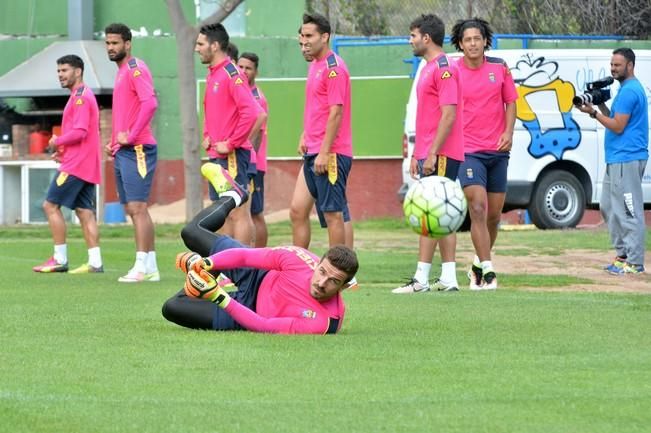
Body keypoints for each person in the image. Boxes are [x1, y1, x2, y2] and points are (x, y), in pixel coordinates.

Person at [162, 164, 359, 334]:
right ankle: (233, 195)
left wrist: (217, 296)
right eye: (322, 271)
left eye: (333, 281)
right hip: (257, 275)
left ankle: (201, 282)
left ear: (344, 287)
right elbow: (245, 257)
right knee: (192, 232)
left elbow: (262, 325)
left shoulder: (323, 322)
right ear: (317, 264)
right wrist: (205, 263)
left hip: (251, 309)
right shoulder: (297, 258)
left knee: (172, 307)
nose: (322, 282)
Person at [392, 14, 464, 294]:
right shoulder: (427, 67)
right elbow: (426, 117)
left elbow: (448, 115)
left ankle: (421, 279)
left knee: (429, 212)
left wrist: (433, 152)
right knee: (441, 214)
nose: (410, 41)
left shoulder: (445, 67)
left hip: (442, 153)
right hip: (427, 152)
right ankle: (448, 278)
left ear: (427, 38)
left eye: (413, 36)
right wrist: (417, 153)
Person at [450, 18, 518, 290]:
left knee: (493, 216)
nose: (473, 43)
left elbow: (511, 102)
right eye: (467, 40)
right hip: (467, 151)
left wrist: (509, 132)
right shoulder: (452, 71)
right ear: (460, 44)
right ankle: (489, 272)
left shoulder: (499, 68)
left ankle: (478, 264)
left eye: (477, 38)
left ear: (485, 41)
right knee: (477, 207)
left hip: (498, 151)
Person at [576, 48, 648, 274]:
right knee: (608, 206)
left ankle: (635, 263)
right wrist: (595, 109)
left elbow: (617, 126)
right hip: (617, 158)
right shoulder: (624, 90)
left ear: (630, 66)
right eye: (612, 64)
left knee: (629, 210)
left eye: (617, 65)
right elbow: (614, 118)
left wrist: (595, 114)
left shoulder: (629, 92)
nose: (613, 69)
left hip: (627, 158)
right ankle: (623, 255)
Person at [33, 55, 103, 274]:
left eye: (64, 70)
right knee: (84, 211)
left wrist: (57, 141)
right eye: (59, 71)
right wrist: (64, 152)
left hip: (76, 166)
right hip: (85, 163)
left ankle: (60, 259)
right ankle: (95, 262)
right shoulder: (80, 96)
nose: (60, 75)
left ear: (78, 71)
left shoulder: (81, 97)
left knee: (50, 205)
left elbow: (80, 131)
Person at [290, 13, 354, 250]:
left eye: (309, 36)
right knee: (297, 211)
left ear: (325, 36)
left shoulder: (334, 68)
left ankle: (339, 273)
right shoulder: (315, 66)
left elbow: (336, 113)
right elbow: (316, 108)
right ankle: (298, 267)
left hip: (331, 154)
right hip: (313, 150)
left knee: (332, 215)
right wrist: (305, 134)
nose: (303, 42)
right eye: (301, 37)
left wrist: (325, 152)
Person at [195, 23, 261, 246]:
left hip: (232, 156)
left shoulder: (232, 73)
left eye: (200, 44)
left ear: (214, 46)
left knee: (238, 211)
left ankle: (241, 266)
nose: (197, 48)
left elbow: (251, 112)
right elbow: (212, 110)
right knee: (221, 211)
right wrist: (207, 134)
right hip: (217, 155)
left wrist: (232, 143)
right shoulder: (213, 74)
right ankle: (225, 266)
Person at [104, 23, 160, 283]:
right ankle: (150, 266)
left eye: (115, 43)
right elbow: (128, 111)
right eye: (108, 43)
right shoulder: (121, 72)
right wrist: (114, 141)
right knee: (132, 207)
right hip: (124, 149)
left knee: (138, 207)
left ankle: (142, 267)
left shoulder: (135, 68)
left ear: (128, 44)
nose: (111, 47)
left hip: (138, 148)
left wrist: (132, 135)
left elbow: (150, 103)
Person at [238, 52, 270, 247]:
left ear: (255, 72)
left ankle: (261, 255)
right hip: (239, 161)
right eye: (240, 67)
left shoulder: (258, 97)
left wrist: (249, 162)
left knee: (255, 212)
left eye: (248, 68)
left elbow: (257, 134)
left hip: (252, 165)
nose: (243, 71)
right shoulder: (239, 91)